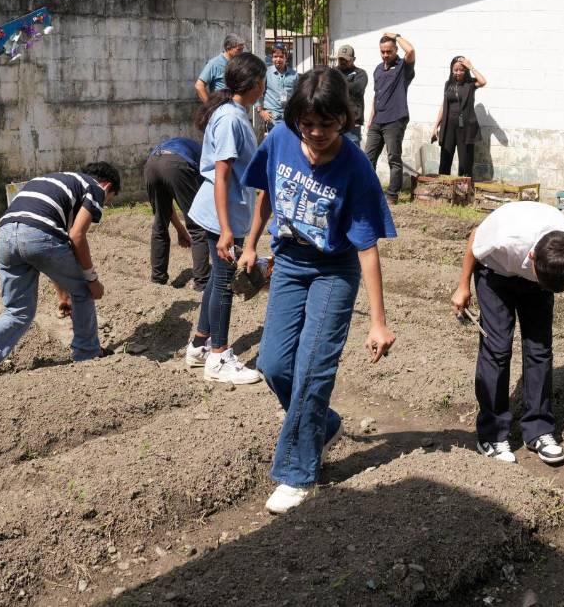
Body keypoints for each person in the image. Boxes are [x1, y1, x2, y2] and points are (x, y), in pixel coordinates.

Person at [239, 66, 397, 514]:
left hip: (334, 269)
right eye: (307, 124)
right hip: (288, 262)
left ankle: (296, 473)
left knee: (312, 369)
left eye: (326, 125)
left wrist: (379, 322)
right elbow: (266, 192)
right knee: (272, 363)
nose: (316, 134)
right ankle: (321, 422)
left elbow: (367, 246)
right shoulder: (280, 141)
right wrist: (251, 244)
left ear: (342, 120)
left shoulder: (356, 166)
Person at [450, 201, 564, 466]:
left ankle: (539, 429)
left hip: (538, 276)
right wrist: (463, 287)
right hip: (495, 272)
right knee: (497, 348)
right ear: (531, 259)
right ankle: (492, 435)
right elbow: (474, 237)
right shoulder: (506, 238)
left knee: (539, 349)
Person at [0, 163, 121, 383]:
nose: (103, 205)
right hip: (38, 234)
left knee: (18, 311)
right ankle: (88, 355)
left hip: (6, 235)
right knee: (84, 290)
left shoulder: (53, 182)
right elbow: (76, 236)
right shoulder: (94, 188)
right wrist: (92, 280)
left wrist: (63, 296)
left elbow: (58, 248)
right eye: (109, 200)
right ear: (107, 186)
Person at [185, 52, 268, 384]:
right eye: (263, 79)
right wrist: (226, 230)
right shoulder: (233, 119)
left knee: (218, 282)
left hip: (218, 212)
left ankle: (198, 345)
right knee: (222, 284)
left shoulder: (231, 112)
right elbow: (222, 176)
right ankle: (219, 357)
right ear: (255, 84)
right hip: (221, 216)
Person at [144, 136, 206, 290]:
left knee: (160, 222)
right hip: (177, 164)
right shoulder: (205, 157)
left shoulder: (187, 145)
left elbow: (167, 208)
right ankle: (202, 283)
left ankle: (157, 279)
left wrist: (180, 230)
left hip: (152, 163)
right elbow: (205, 200)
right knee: (198, 227)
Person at [363, 32, 416, 204]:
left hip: (395, 119)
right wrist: (371, 118)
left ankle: (392, 194)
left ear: (395, 50)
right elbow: (377, 96)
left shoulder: (402, 67)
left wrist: (397, 36)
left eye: (389, 51)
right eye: (383, 52)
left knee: (393, 157)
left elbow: (411, 51)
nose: (386, 55)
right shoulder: (378, 69)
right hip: (377, 120)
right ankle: (370, 191)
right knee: (367, 158)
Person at [431, 55, 487, 177]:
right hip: (449, 127)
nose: (458, 72)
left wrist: (471, 67)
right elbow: (444, 105)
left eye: (461, 70)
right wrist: (436, 126)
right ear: (451, 70)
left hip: (465, 128)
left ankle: (464, 191)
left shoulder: (470, 83)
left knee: (465, 162)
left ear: (465, 70)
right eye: (455, 70)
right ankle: (443, 188)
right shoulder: (448, 84)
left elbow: (483, 81)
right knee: (445, 160)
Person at [195, 33, 247, 103]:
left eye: (242, 49)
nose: (241, 52)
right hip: (221, 108)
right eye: (238, 50)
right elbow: (199, 86)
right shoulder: (214, 63)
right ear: (228, 48)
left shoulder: (239, 62)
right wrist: (210, 107)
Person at [258, 43, 298, 131]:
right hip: (272, 119)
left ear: (286, 57)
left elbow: (298, 96)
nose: (278, 59)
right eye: (275, 56)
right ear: (272, 58)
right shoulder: (266, 73)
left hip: (289, 118)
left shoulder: (294, 75)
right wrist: (261, 111)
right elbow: (256, 91)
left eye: (281, 56)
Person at [335, 44, 368, 146]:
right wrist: (348, 83)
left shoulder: (360, 74)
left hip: (352, 124)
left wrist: (338, 84)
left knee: (352, 155)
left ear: (353, 59)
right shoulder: (333, 72)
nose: (343, 62)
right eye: (341, 59)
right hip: (335, 122)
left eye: (346, 59)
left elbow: (357, 89)